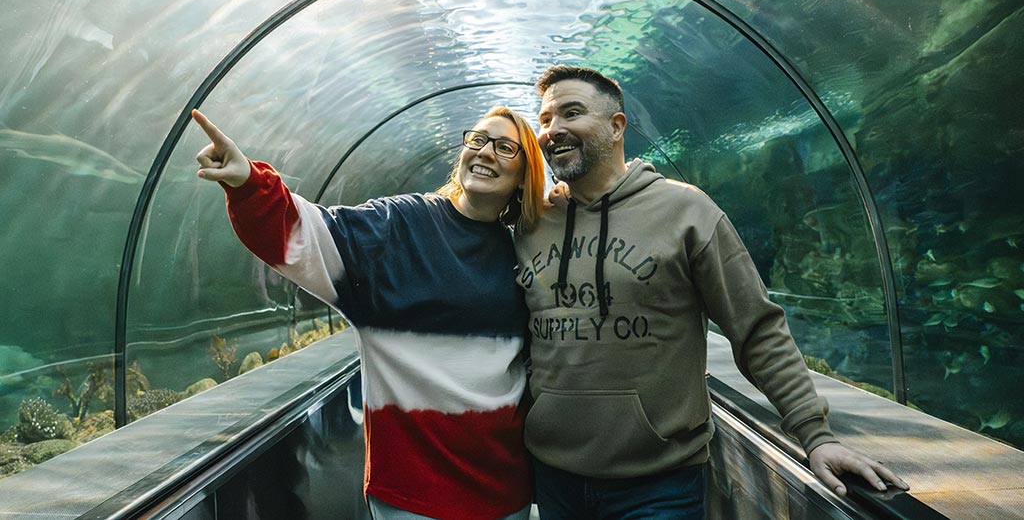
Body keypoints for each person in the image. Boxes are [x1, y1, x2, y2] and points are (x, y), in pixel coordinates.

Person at [513, 65, 910, 519]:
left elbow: (757, 328)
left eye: (571, 113)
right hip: (554, 477)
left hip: (658, 484)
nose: (553, 129)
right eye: (544, 119)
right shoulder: (531, 224)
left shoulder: (686, 210)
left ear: (617, 126)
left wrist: (815, 436)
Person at [191, 106, 546, 520]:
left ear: (525, 175)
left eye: (506, 148)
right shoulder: (399, 228)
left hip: (504, 490)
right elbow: (313, 236)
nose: (486, 152)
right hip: (412, 493)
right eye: (479, 140)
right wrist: (249, 183)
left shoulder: (529, 251)